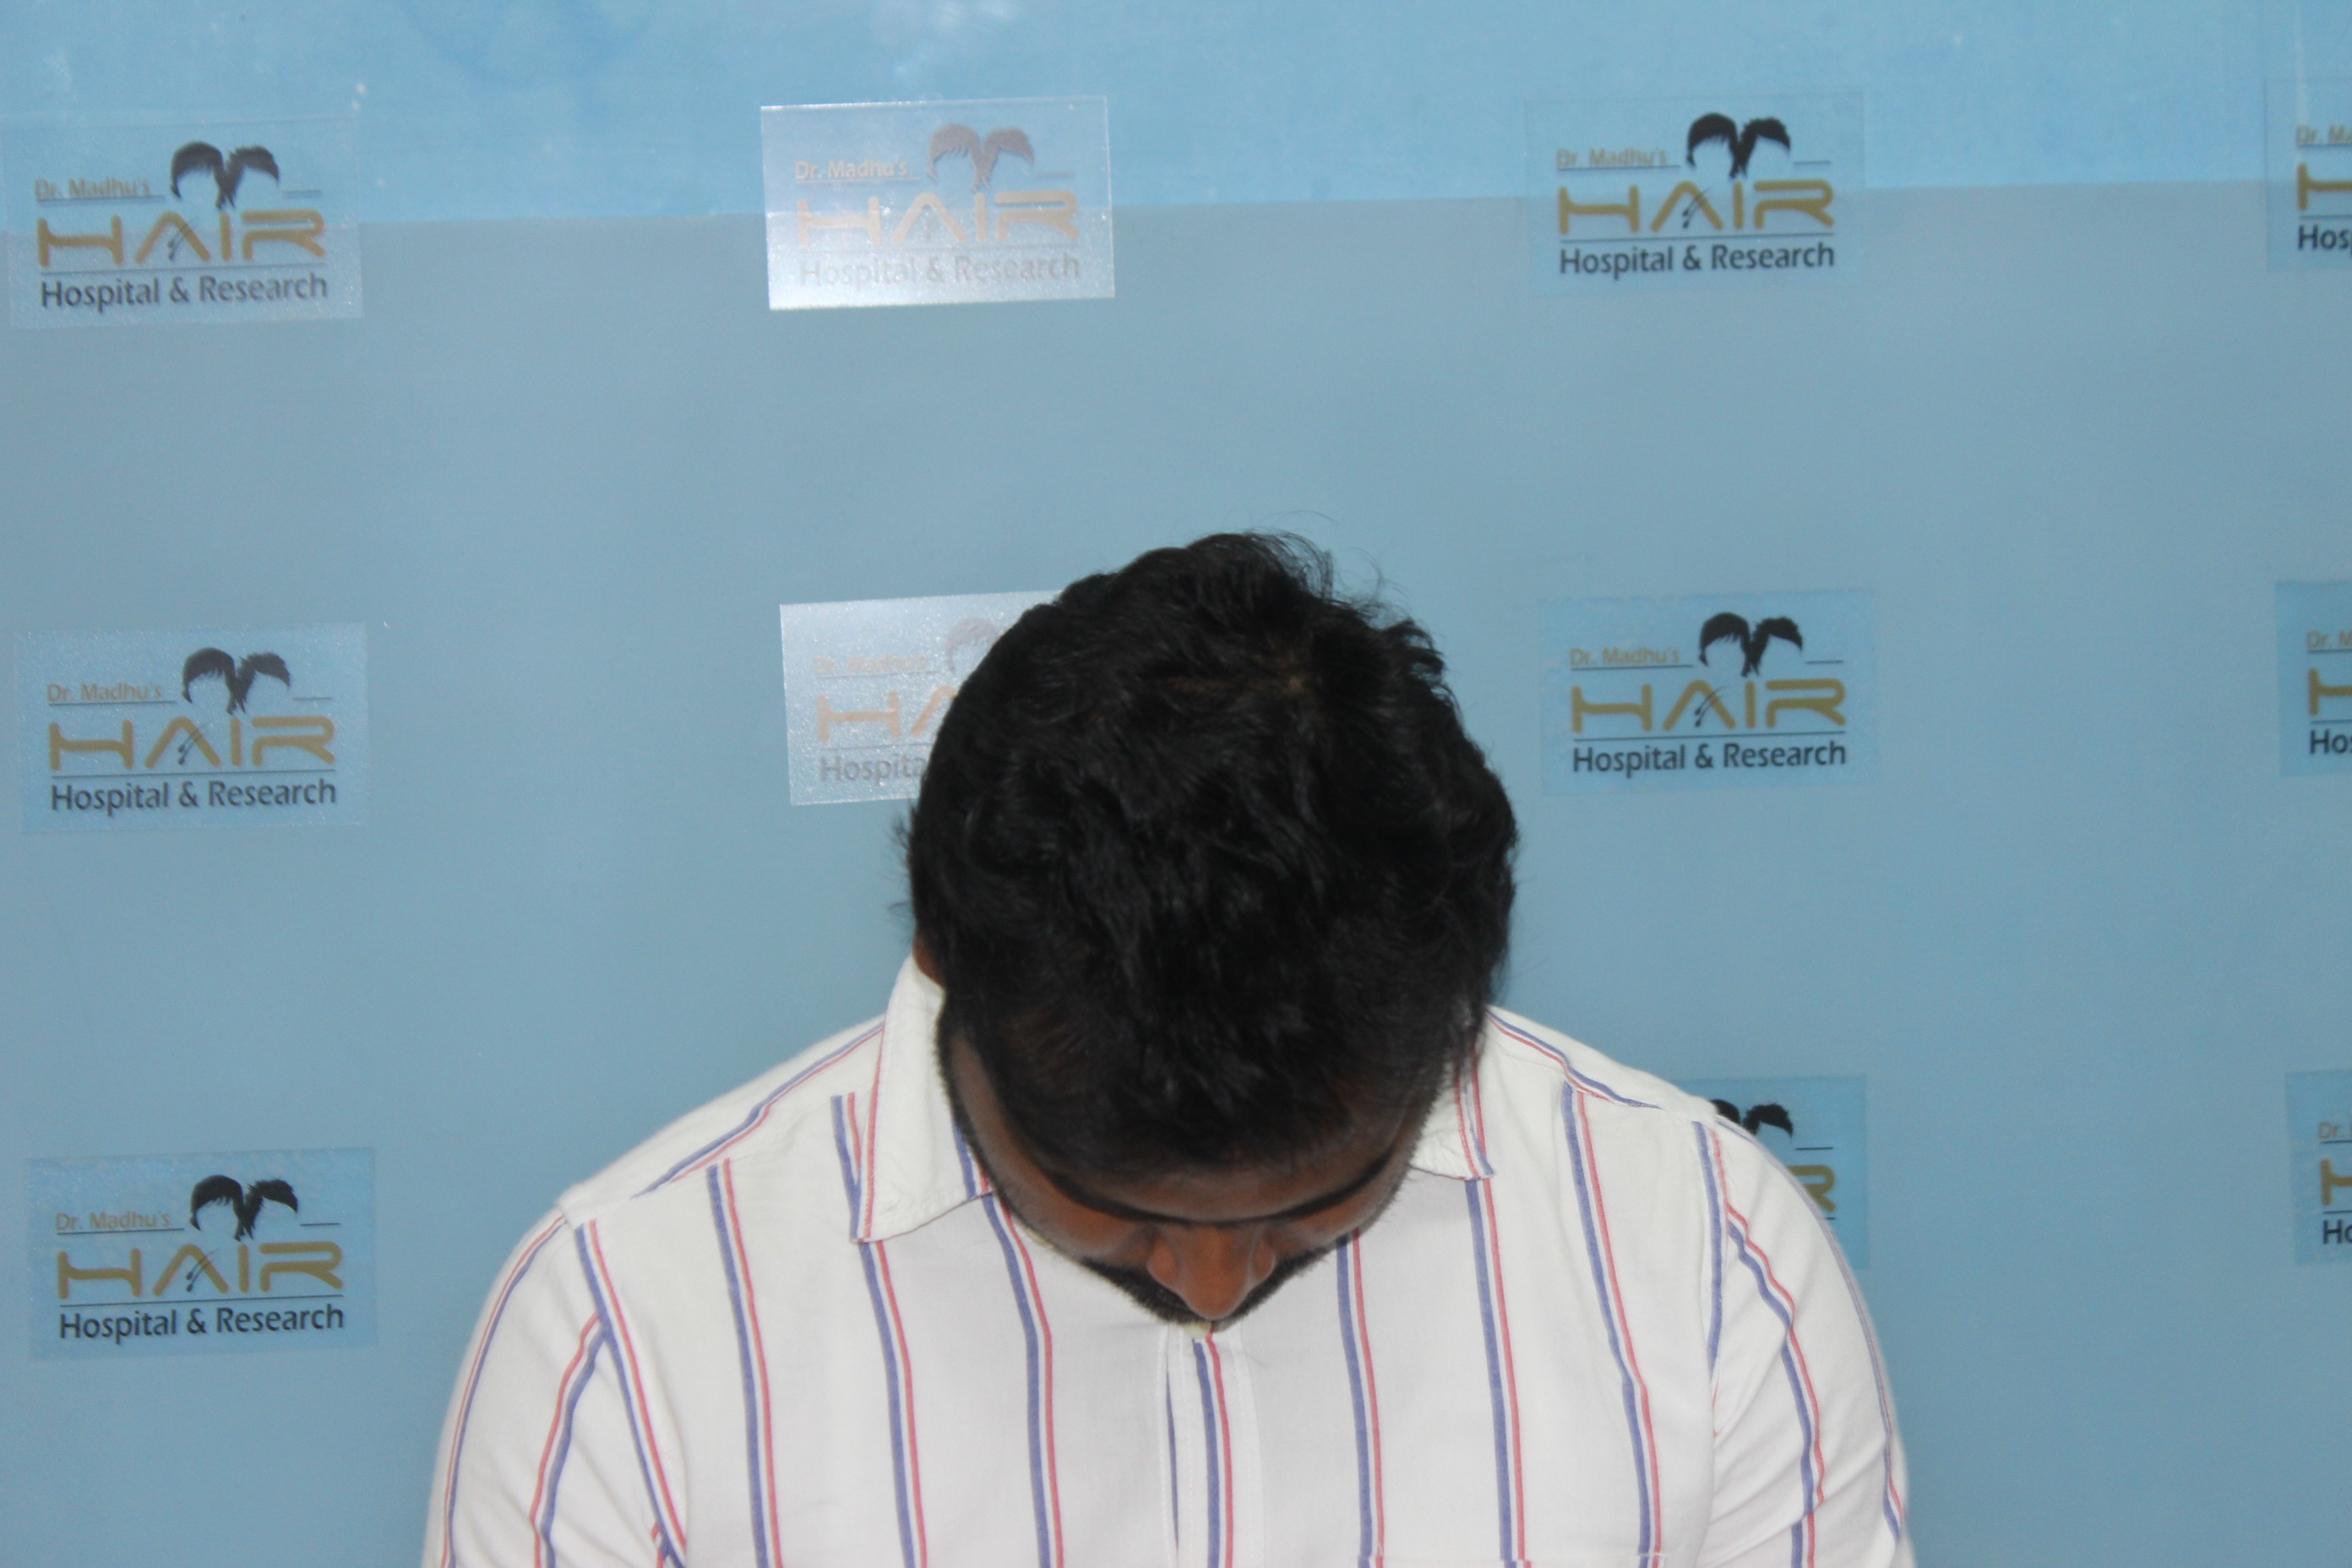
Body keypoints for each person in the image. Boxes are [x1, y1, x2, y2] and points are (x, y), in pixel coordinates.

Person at [425, 534, 1910, 1568]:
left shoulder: (1700, 1264)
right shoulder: (632, 1329)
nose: (1209, 1285)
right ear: (944, 960)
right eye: (1116, 1208)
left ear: (1451, 1027)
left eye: (1314, 1206)